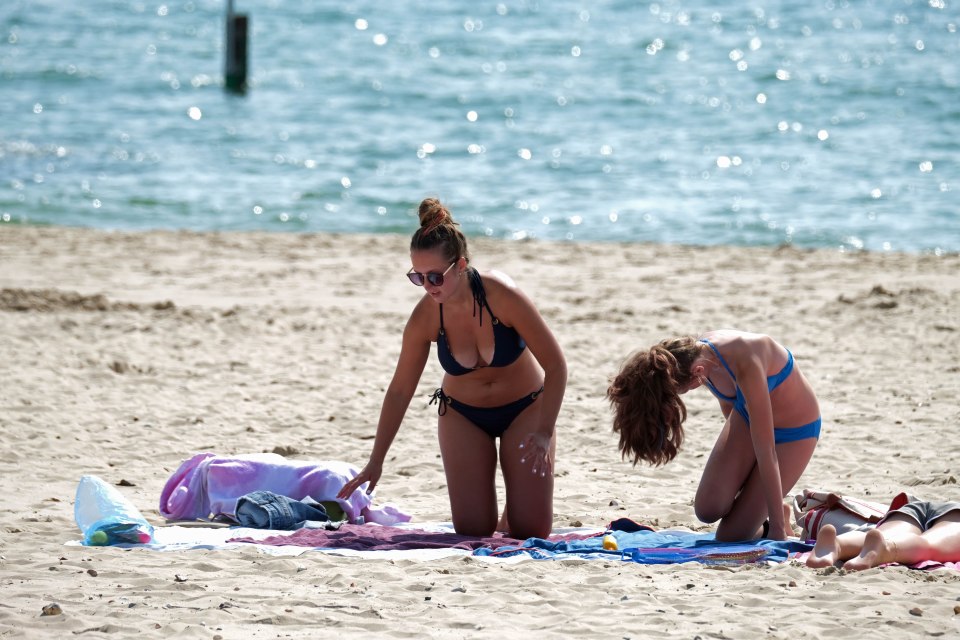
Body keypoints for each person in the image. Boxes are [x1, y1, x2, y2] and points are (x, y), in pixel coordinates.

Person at [337, 197, 566, 539]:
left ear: (459, 265)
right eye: (418, 278)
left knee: (532, 530)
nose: (428, 287)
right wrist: (376, 459)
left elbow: (556, 365)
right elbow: (400, 390)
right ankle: (509, 506)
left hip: (527, 409)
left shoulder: (501, 295)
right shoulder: (426, 317)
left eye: (434, 277)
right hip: (464, 415)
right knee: (472, 529)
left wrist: (545, 431)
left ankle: (516, 508)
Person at [606, 329, 821, 541]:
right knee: (708, 509)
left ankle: (773, 516)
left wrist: (777, 529)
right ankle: (760, 510)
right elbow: (731, 409)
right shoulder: (699, 358)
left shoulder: (744, 359)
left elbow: (766, 450)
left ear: (697, 373)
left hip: (795, 432)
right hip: (748, 418)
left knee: (731, 535)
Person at [806, 500, 960, 570]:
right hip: (955, 513)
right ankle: (886, 550)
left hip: (913, 507)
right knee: (928, 545)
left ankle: (837, 545)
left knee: (881, 535)